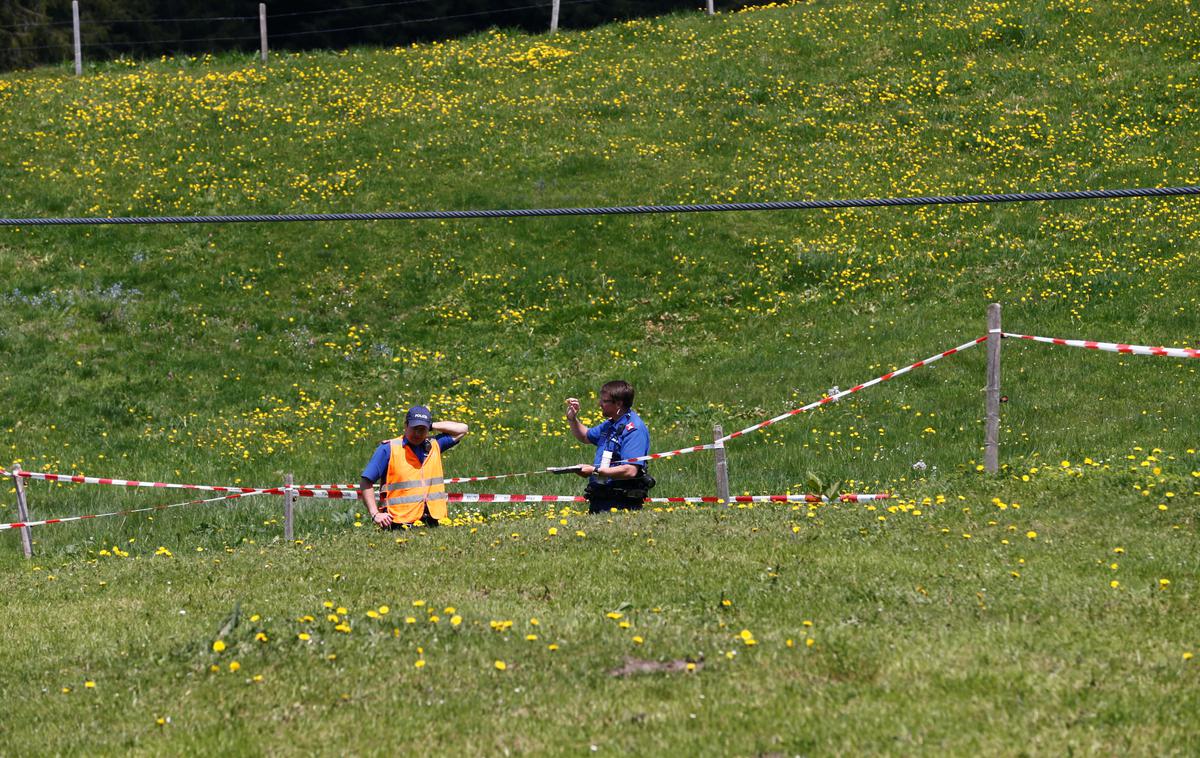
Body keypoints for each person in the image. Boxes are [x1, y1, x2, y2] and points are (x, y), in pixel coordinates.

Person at [360, 405, 469, 528]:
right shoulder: (388, 448)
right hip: (398, 523)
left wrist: (431, 425)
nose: (417, 433)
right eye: (414, 428)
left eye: (422, 429)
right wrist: (375, 514)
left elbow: (463, 429)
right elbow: (366, 481)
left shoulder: (434, 445)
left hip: (433, 523)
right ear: (406, 426)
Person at [565, 380, 655, 514]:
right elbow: (585, 436)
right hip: (599, 499)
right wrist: (572, 419)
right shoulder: (611, 424)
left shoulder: (634, 429)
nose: (600, 404)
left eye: (604, 401)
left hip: (621, 505)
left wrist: (593, 471)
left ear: (619, 403)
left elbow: (630, 470)